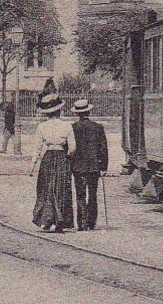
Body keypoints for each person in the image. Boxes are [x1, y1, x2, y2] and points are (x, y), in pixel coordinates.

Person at [31, 93, 76, 232]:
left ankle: (47, 219)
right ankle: (60, 220)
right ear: (59, 110)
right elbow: (73, 147)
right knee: (61, 189)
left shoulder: (42, 127)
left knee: (46, 189)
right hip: (62, 157)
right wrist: (66, 156)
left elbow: (37, 149)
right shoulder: (67, 126)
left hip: (48, 158)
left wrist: (32, 167)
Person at [69, 99, 109, 230]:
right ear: (89, 111)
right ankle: (91, 223)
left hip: (78, 167)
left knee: (80, 195)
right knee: (93, 194)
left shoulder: (73, 128)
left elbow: (70, 148)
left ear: (77, 114)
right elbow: (103, 148)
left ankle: (82, 224)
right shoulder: (98, 127)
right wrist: (103, 167)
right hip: (94, 167)